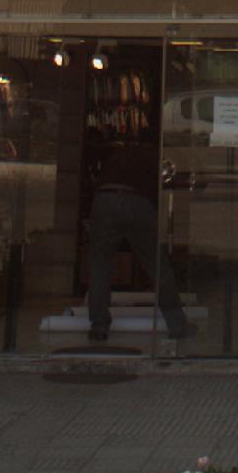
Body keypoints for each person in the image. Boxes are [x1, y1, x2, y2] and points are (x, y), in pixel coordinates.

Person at [88, 141, 188, 346]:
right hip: (136, 202)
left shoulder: (116, 154)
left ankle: (99, 327)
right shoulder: (152, 155)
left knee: (100, 267)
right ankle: (176, 324)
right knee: (157, 266)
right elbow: (161, 182)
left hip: (104, 199)